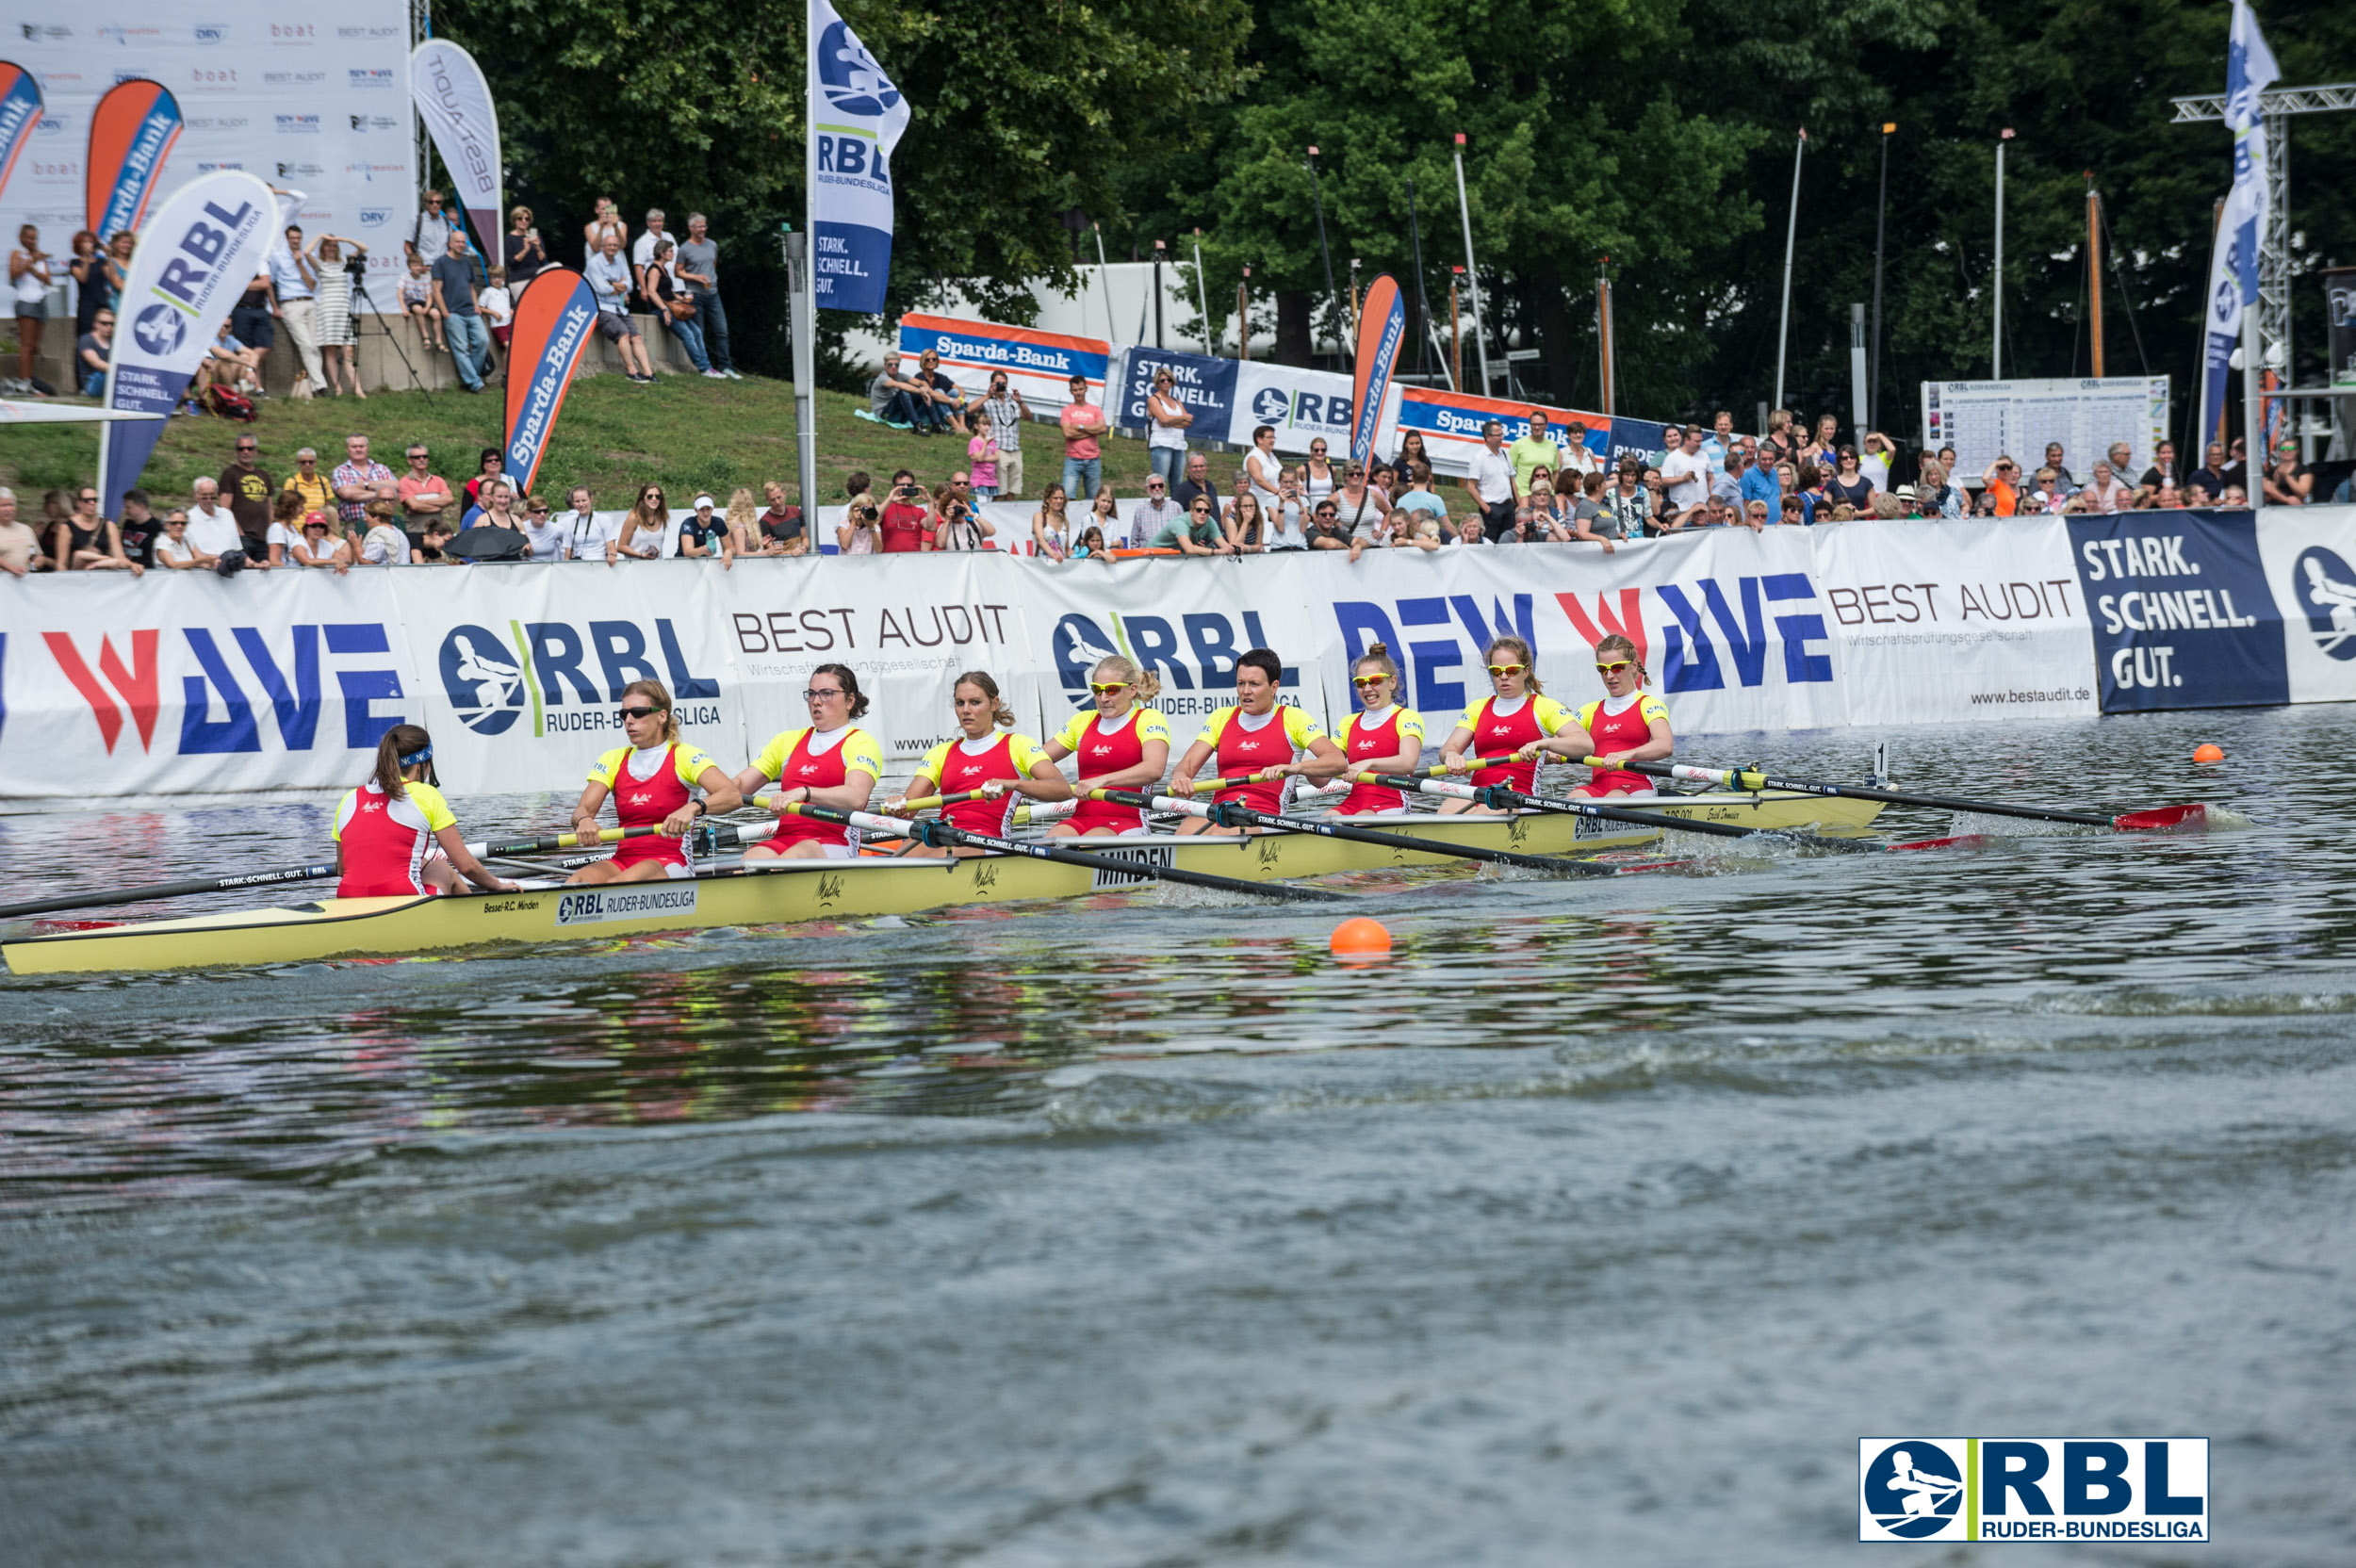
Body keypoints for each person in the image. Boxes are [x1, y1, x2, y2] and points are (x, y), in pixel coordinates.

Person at [564, 680, 743, 885]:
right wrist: (584, 820)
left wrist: (694, 808)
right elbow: (582, 810)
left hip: (671, 861)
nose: (629, 720)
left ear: (662, 716)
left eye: (638, 712)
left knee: (619, 884)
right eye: (624, 714)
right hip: (622, 861)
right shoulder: (612, 759)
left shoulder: (683, 756)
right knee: (575, 883)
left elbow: (732, 796)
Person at [886, 671, 1072, 855]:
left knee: (936, 857)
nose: (966, 710)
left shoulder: (1017, 745)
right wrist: (898, 803)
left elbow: (1061, 789)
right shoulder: (940, 753)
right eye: (960, 703)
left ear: (994, 704)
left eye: (975, 702)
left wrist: (1013, 784)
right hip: (945, 832)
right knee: (896, 860)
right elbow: (908, 810)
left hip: (989, 839)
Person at [1167, 649, 1346, 835]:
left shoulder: (1293, 718)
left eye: (1254, 684)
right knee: (1185, 830)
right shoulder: (1221, 717)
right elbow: (1186, 765)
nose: (1245, 691)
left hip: (1265, 815)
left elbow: (1337, 761)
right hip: (1221, 811)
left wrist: (1294, 768)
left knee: (1223, 835)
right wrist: (1180, 777)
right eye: (1240, 683)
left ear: (1274, 687)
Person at [333, 726, 513, 899]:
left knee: (426, 865)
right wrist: (497, 884)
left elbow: (342, 869)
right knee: (442, 868)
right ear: (421, 766)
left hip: (349, 899)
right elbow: (467, 866)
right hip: (405, 899)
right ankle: (478, 922)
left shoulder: (349, 799)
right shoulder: (427, 795)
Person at [734, 663, 885, 860]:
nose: (816, 701)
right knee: (750, 860)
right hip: (785, 838)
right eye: (812, 694)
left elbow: (856, 798)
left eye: (827, 694)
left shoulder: (861, 743)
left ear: (849, 701)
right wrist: (696, 803)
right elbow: (737, 787)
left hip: (834, 841)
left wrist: (803, 792)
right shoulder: (786, 741)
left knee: (795, 857)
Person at [1432, 636, 1579, 814]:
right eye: (1496, 671)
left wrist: (1545, 744)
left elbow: (1585, 744)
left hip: (1519, 798)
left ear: (1526, 671)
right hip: (1478, 793)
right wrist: (1451, 756)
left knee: (1488, 810)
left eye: (1511, 671)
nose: (1503, 677)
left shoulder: (1544, 706)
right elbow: (1450, 747)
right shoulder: (1477, 708)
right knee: (1446, 810)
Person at [1520, 634, 1673, 797]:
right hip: (1600, 787)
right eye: (1603, 669)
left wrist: (1628, 754)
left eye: (1617, 668)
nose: (1609, 676)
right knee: (1574, 797)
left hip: (1637, 785)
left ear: (1634, 666)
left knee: (1614, 797)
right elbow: (1561, 743)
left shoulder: (1649, 705)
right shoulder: (1589, 711)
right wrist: (1552, 750)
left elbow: (1665, 745)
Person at [1042, 656, 1171, 838]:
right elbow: (1036, 761)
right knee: (1052, 840)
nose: (1103, 698)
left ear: (1132, 690)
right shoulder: (1082, 721)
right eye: (1097, 690)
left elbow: (1154, 769)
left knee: (1087, 843)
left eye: (1112, 690)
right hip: (1081, 818)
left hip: (1128, 821)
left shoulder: (1148, 719)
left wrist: (1102, 780)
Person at [1329, 645, 1426, 816]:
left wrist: (1370, 762)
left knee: (1358, 821)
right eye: (1360, 683)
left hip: (1392, 800)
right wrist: (1305, 765)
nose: (1367, 689)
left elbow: (1408, 763)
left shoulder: (1407, 717)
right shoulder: (1347, 723)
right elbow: (1321, 778)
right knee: (1326, 820)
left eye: (1375, 681)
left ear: (1392, 682)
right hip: (1354, 801)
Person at [585, 231, 655, 384]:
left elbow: (629, 286)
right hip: (601, 308)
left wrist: (612, 285)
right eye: (609, 245)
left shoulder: (620, 263)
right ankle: (632, 371)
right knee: (623, 333)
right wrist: (617, 285)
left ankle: (648, 373)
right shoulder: (594, 263)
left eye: (615, 245)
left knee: (636, 336)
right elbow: (601, 289)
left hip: (618, 306)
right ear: (602, 247)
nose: (613, 247)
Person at [675, 212, 738, 378]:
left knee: (722, 330)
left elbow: (712, 264)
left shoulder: (712, 245)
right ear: (691, 228)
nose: (703, 229)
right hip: (695, 294)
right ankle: (704, 367)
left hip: (713, 293)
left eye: (704, 226)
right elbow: (678, 272)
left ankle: (726, 366)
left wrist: (709, 278)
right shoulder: (684, 249)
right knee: (699, 331)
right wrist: (696, 277)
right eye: (699, 226)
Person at [642, 238, 716, 376]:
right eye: (670, 251)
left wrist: (682, 299)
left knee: (697, 332)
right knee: (687, 334)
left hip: (673, 307)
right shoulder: (654, 270)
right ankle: (703, 368)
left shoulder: (664, 269)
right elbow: (651, 292)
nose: (673, 254)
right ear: (662, 253)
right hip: (661, 309)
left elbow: (668, 292)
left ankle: (708, 366)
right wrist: (664, 310)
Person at [269, 224, 326, 398]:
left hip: (309, 301)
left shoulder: (309, 257)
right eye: (292, 238)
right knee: (306, 345)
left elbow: (312, 285)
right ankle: (321, 386)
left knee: (315, 345)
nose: (296, 241)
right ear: (287, 240)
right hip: (290, 304)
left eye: (298, 238)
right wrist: (274, 307)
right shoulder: (278, 257)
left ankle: (317, 387)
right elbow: (270, 282)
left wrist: (300, 264)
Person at [432, 229, 491, 393]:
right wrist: (445, 312)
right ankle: (476, 384)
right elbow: (436, 289)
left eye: (463, 242)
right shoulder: (441, 263)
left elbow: (471, 287)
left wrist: (476, 304)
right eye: (457, 241)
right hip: (453, 313)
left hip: (470, 311)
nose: (461, 245)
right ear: (450, 243)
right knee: (461, 349)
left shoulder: (467, 262)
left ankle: (470, 378)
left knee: (483, 341)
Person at [47, 485, 141, 574]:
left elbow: (120, 558)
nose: (92, 503)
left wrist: (133, 565)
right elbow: (61, 564)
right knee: (79, 555)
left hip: (102, 576)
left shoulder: (109, 525)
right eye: (87, 500)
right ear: (79, 503)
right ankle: (105, 559)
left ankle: (102, 562)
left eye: (95, 500)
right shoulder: (67, 527)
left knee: (115, 562)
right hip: (78, 576)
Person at [219, 434, 277, 556]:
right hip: (241, 538)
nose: (245, 452)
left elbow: (270, 507)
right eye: (241, 448)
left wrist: (270, 531)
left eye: (249, 448)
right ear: (237, 451)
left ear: (256, 451)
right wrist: (240, 534)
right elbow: (225, 509)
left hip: (263, 538)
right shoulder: (230, 474)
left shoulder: (264, 475)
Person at [10, 224, 52, 388]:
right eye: (28, 237)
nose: (31, 241)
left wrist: (35, 267)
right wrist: (31, 261)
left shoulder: (41, 257)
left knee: (35, 345)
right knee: (26, 345)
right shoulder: (17, 254)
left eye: (34, 238)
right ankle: (24, 380)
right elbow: (13, 274)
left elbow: (48, 280)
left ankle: (29, 378)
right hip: (26, 301)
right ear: (22, 238)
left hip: (40, 301)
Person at [186, 479, 251, 575]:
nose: (209, 501)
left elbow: (237, 549)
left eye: (213, 497)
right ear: (196, 495)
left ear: (217, 494)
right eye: (204, 497)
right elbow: (191, 553)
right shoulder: (188, 518)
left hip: (231, 570)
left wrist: (254, 564)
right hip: (202, 574)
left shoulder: (227, 514)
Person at [333, 434, 395, 534]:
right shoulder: (341, 471)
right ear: (347, 449)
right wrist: (380, 494)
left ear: (367, 448)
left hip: (384, 523)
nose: (358, 449)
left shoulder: (381, 468)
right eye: (354, 447)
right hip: (355, 526)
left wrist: (365, 485)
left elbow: (396, 486)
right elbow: (347, 493)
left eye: (362, 446)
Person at [1059, 373, 1107, 499]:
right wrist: (1092, 431)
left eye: (1080, 389)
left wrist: (1080, 427)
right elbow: (1067, 433)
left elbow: (1102, 428)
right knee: (1067, 497)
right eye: (1075, 390)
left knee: (1094, 499)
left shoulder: (1095, 410)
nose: (1078, 392)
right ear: (1071, 391)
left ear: (1086, 389)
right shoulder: (1067, 410)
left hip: (1093, 460)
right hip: (1073, 459)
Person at [979, 371, 1025, 498]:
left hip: (1015, 449)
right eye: (998, 383)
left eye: (1003, 383)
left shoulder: (1014, 402)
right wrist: (988, 394)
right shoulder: (988, 401)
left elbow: (1028, 417)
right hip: (998, 449)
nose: (1001, 386)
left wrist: (1021, 402)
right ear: (992, 384)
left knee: (1012, 491)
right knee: (999, 491)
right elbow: (970, 409)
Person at [1145, 366, 1193, 486]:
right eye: (1162, 380)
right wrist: (1182, 417)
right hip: (1162, 443)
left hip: (1178, 444)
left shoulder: (1176, 401)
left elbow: (1188, 422)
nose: (1166, 382)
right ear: (1157, 383)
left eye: (1169, 380)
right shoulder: (1153, 399)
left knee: (1177, 484)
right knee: (1160, 483)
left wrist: (1169, 421)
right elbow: (1164, 419)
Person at [1470, 420, 1515, 537]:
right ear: (1488, 437)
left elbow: (1511, 479)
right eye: (1498, 435)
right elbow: (1470, 487)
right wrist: (1487, 509)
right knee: (1490, 543)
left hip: (1508, 506)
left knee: (1507, 542)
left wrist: (1518, 503)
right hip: (1492, 507)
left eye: (1502, 434)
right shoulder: (1479, 458)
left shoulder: (1504, 454)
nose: (1501, 438)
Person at [1508, 412, 1564, 498]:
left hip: (1546, 496)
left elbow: (1555, 472)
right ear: (1530, 425)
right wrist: (1516, 496)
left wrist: (1554, 492)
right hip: (1524, 495)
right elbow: (1508, 472)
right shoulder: (1518, 444)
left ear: (1546, 426)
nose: (1537, 427)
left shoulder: (1553, 446)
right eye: (1534, 424)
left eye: (1540, 424)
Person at [1153, 493, 1230, 555]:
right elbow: (1189, 549)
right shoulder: (1180, 523)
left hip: (1174, 556)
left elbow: (1224, 545)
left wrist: (1236, 548)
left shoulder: (1210, 521)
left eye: (1206, 511)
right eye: (1199, 510)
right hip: (1152, 555)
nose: (1203, 513)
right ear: (1191, 511)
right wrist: (1215, 551)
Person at [555, 485, 614, 564]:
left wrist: (611, 556)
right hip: (579, 567)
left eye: (584, 500)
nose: (581, 504)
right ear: (573, 503)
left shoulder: (603, 520)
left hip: (600, 566)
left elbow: (612, 551)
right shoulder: (569, 524)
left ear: (591, 499)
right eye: (577, 501)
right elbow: (567, 555)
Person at [399, 254, 444, 351]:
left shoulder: (425, 278)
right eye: (415, 266)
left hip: (424, 302)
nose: (417, 268)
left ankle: (439, 340)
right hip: (412, 301)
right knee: (418, 309)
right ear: (409, 266)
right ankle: (425, 336)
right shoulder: (405, 277)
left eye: (419, 265)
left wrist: (427, 308)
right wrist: (404, 308)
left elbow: (429, 296)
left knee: (436, 314)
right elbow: (400, 294)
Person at [676, 494, 736, 564]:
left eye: (708, 509)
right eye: (702, 509)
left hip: (705, 562)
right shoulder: (689, 523)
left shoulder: (718, 522)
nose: (705, 513)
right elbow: (687, 552)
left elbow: (731, 548)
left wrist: (729, 552)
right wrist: (703, 550)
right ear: (696, 510)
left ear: (713, 508)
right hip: (682, 563)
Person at [287, 511, 352, 574]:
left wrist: (341, 563)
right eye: (313, 525)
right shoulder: (298, 541)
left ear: (325, 529)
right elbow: (307, 562)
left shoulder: (326, 544)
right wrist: (334, 561)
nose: (318, 529)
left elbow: (346, 560)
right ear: (306, 529)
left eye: (322, 526)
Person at [750, 482, 806, 556]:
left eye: (779, 497)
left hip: (802, 559)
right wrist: (791, 553)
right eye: (773, 500)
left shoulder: (796, 511)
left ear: (784, 493)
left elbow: (805, 538)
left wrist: (804, 547)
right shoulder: (765, 522)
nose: (777, 502)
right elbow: (771, 551)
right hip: (779, 564)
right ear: (767, 500)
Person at [616, 483, 669, 560]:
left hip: (658, 566)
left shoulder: (662, 517)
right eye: (650, 496)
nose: (654, 499)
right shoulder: (634, 518)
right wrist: (640, 555)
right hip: (636, 567)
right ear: (643, 498)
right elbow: (621, 546)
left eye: (657, 497)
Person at [1242, 422, 1285, 515]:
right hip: (1260, 505)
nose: (1273, 440)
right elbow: (1259, 480)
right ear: (1259, 439)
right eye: (1269, 437)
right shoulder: (1253, 457)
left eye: (1274, 437)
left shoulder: (1272, 456)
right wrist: (1278, 492)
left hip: (1275, 503)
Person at [477, 265, 513, 375]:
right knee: (508, 346)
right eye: (493, 278)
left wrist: (511, 310)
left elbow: (507, 305)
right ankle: (505, 373)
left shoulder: (506, 291)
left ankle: (514, 371)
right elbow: (480, 307)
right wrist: (493, 313)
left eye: (499, 277)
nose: (496, 280)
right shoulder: (487, 291)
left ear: (503, 278)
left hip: (508, 323)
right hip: (498, 326)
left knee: (514, 347)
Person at [932, 485, 991, 551]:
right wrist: (947, 520)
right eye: (952, 508)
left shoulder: (973, 525)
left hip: (975, 560)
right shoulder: (945, 527)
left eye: (958, 507)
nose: (956, 510)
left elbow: (991, 532)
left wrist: (972, 514)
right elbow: (940, 544)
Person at [404, 189, 453, 268]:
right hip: (424, 267)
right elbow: (407, 246)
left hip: (444, 267)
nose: (435, 205)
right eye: (431, 202)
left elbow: (450, 245)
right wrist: (416, 265)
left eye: (438, 202)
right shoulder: (417, 221)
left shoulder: (446, 222)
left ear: (441, 204)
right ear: (426, 204)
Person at [504, 205, 548, 288]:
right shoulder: (509, 238)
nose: (524, 221)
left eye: (527, 219)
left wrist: (538, 248)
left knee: (557, 265)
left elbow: (543, 260)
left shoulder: (535, 235)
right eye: (520, 218)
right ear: (514, 220)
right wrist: (525, 250)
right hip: (519, 279)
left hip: (536, 276)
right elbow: (511, 262)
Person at [359, 501, 414, 565]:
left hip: (385, 575)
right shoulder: (400, 534)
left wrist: (357, 547)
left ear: (377, 517)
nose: (365, 519)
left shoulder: (379, 536)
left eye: (366, 515)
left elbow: (367, 564)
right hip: (402, 574)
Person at [74, 307, 113, 397]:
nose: (109, 327)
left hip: (110, 379)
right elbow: (95, 362)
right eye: (104, 323)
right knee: (101, 375)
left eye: (112, 324)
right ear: (96, 324)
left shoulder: (115, 341)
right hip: (92, 384)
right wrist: (120, 371)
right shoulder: (86, 340)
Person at [517, 494, 567, 562]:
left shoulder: (556, 529)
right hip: (529, 567)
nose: (542, 514)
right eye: (538, 512)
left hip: (550, 568)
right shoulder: (522, 527)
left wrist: (565, 561)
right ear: (529, 513)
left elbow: (569, 543)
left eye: (545, 511)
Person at [1030, 482, 1073, 560]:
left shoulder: (1065, 521)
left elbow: (1067, 549)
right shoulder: (1039, 517)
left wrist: (1080, 555)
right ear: (1047, 499)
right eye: (1055, 498)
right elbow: (1040, 540)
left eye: (1061, 498)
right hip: (1042, 565)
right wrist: (1054, 555)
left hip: (1061, 567)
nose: (1059, 501)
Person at [2264, 439, 2313, 507]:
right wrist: (2276, 482)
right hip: (2274, 509)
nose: (2286, 451)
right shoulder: (2271, 471)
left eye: (2290, 448)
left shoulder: (2303, 469)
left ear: (2297, 451)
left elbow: (2302, 493)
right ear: (2279, 452)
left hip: (2296, 508)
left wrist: (2286, 476)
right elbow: (2268, 493)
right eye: (2283, 448)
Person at [1172, 450, 1219, 515]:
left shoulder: (1211, 486)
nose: (1199, 469)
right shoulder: (1181, 490)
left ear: (1206, 466)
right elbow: (1174, 517)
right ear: (1188, 468)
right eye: (1195, 466)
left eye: (1201, 466)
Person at [967, 418, 1001, 503]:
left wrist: (983, 459)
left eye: (989, 425)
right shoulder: (974, 441)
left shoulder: (992, 441)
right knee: (983, 504)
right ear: (976, 426)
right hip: (980, 479)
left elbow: (996, 457)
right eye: (984, 424)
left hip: (991, 479)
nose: (987, 427)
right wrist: (985, 443)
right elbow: (977, 457)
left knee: (989, 505)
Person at [1299, 438, 1338, 510]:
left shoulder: (1332, 469)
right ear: (1311, 451)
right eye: (1316, 450)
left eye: (1323, 450)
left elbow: (1333, 490)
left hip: (1327, 512)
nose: (1320, 452)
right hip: (1310, 511)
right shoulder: (1302, 470)